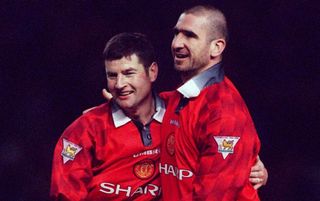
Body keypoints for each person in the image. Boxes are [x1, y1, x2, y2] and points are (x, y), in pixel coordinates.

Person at [158, 5, 263, 200]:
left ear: (217, 47)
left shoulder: (224, 112)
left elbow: (214, 195)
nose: (177, 43)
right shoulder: (177, 99)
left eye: (189, 35)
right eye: (176, 34)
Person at [50, 32, 164, 200]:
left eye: (128, 73)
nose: (119, 84)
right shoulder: (84, 130)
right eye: (112, 75)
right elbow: (65, 194)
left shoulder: (179, 118)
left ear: (152, 72)